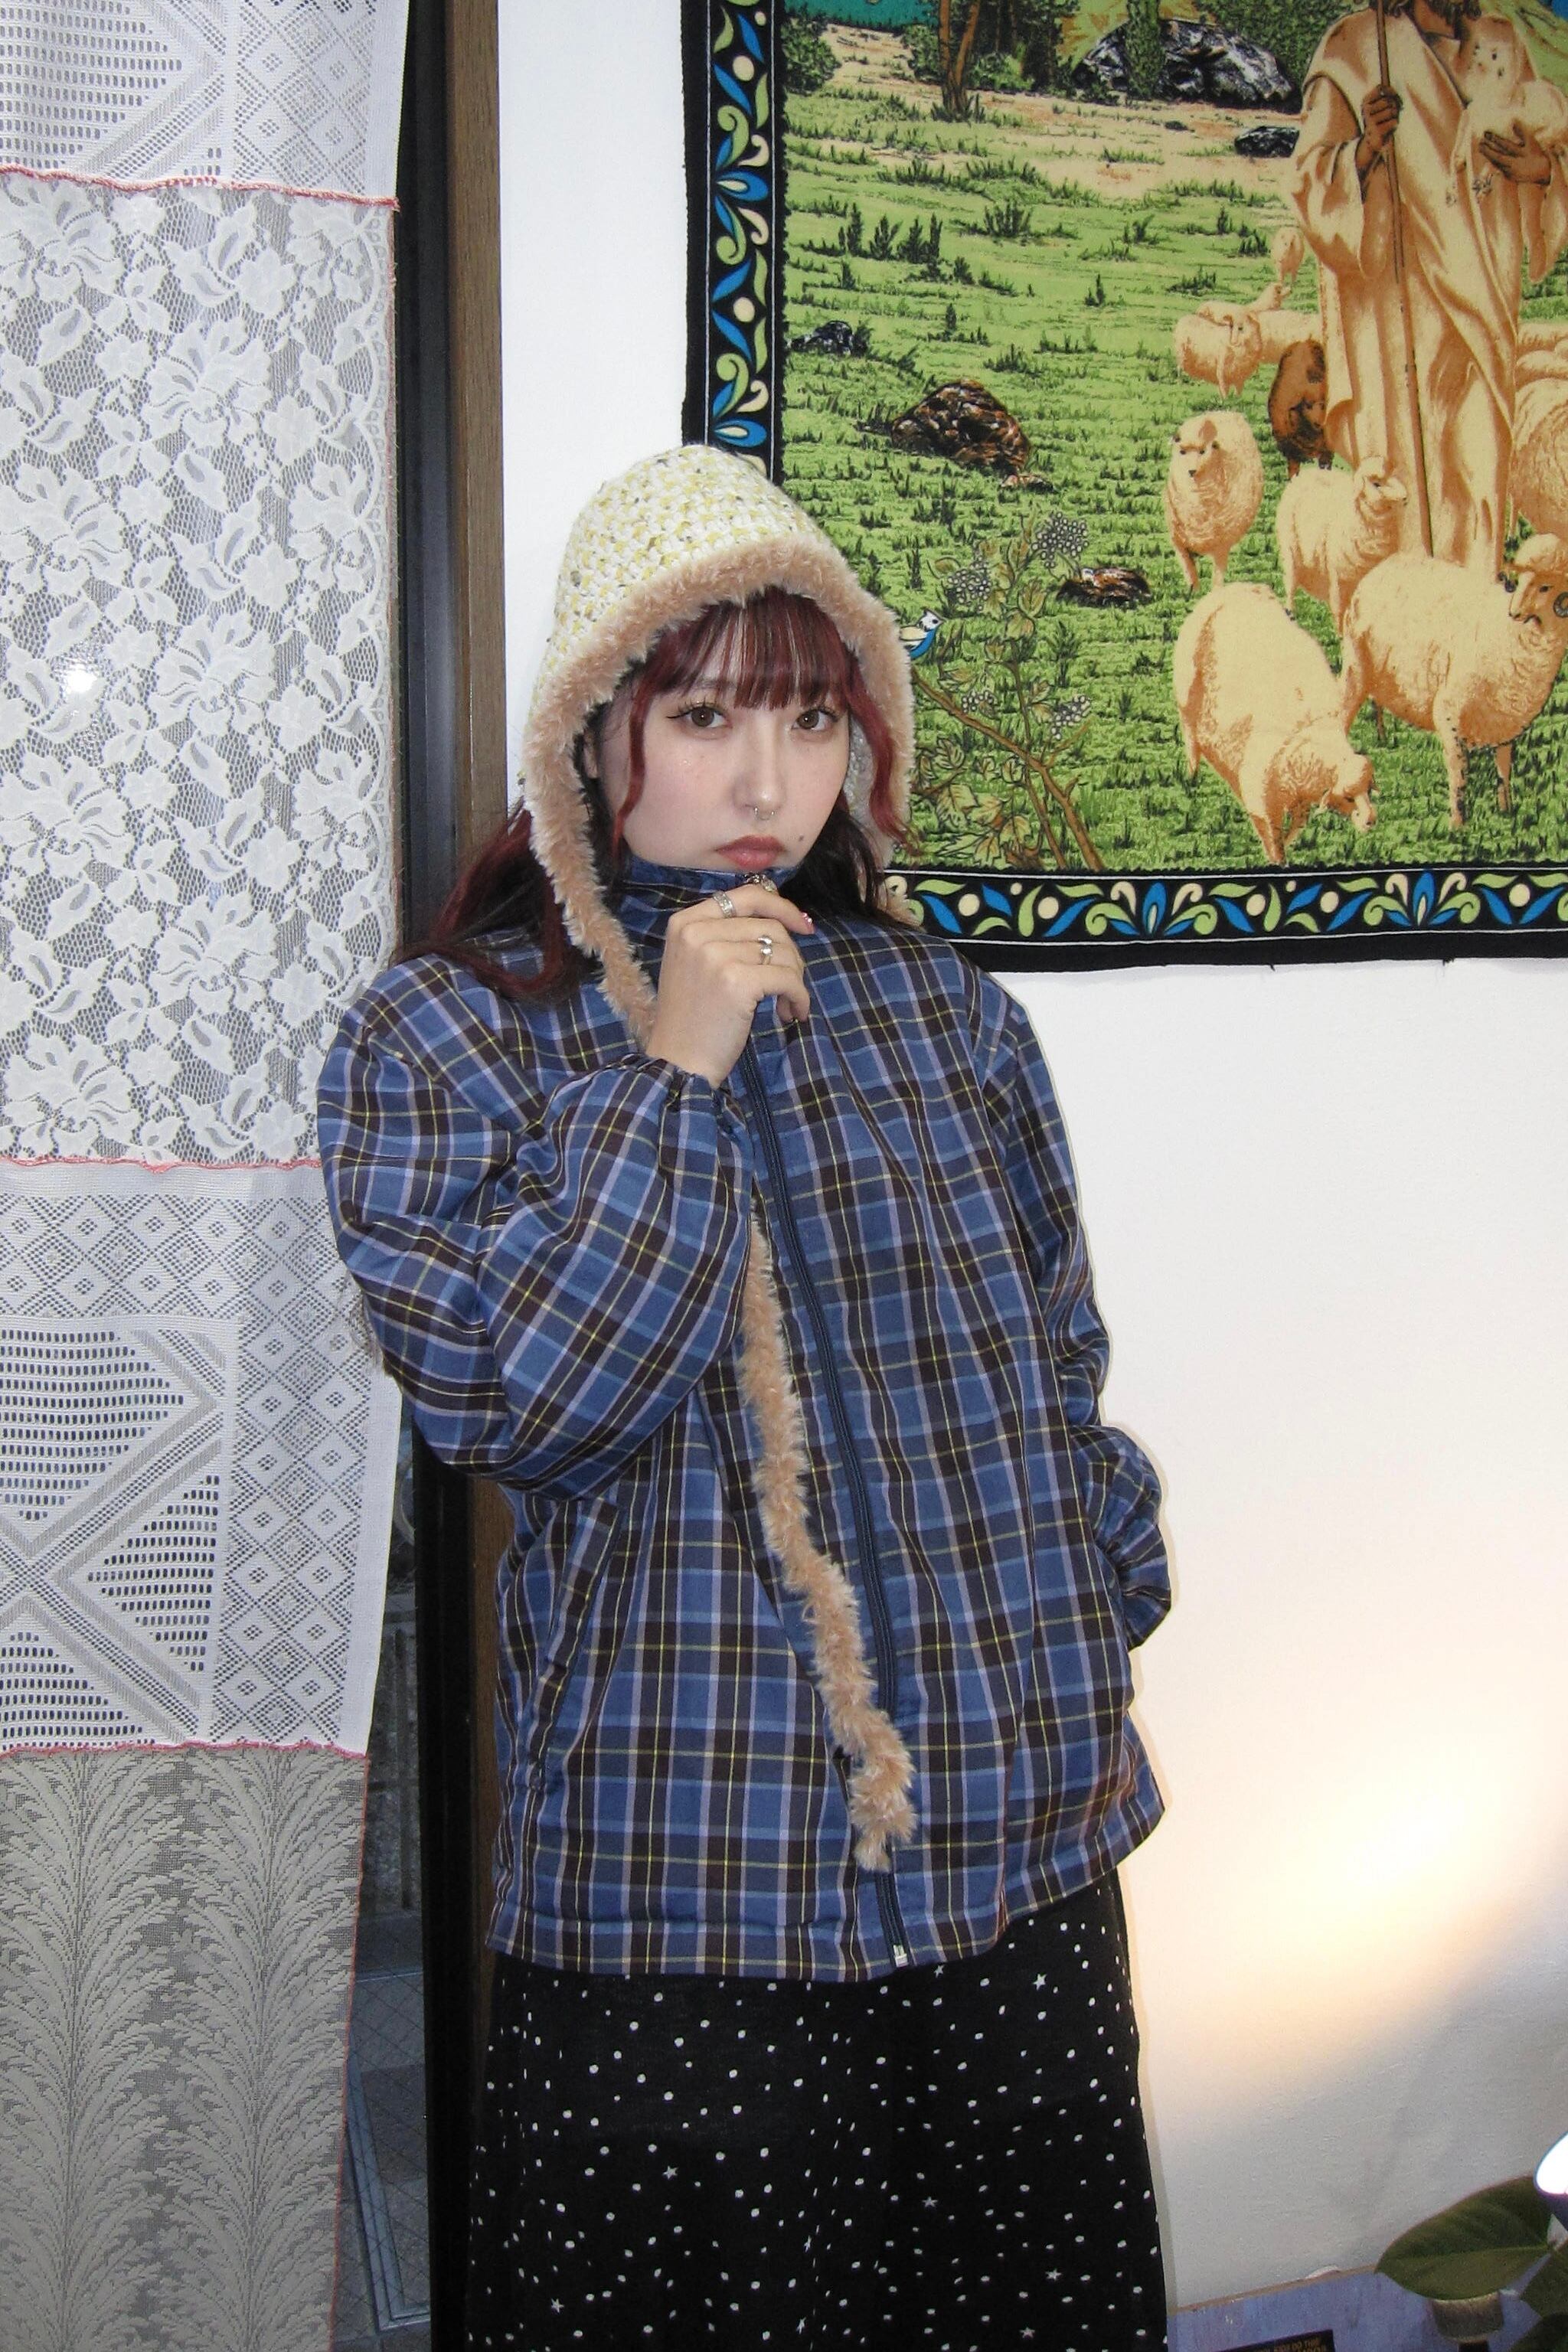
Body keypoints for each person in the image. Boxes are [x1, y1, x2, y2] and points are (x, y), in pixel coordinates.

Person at [318, 444, 1171, 2349]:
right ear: (590, 729)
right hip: (681, 1880)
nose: (766, 784)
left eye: (807, 718)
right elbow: (525, 1403)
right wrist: (672, 1074)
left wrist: (1091, 1590)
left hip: (1016, 1849)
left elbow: (1054, 1357)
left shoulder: (941, 1009)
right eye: (703, 717)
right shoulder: (443, 1036)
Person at [1291, 0, 1568, 576]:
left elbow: (1551, 143)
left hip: (1486, 310)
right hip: (1397, 313)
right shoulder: (1356, 49)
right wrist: (1365, 149)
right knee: (1408, 488)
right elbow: (1308, 182)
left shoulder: (1502, 43)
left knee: (1480, 474)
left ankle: (1471, 613)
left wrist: (1541, 171)